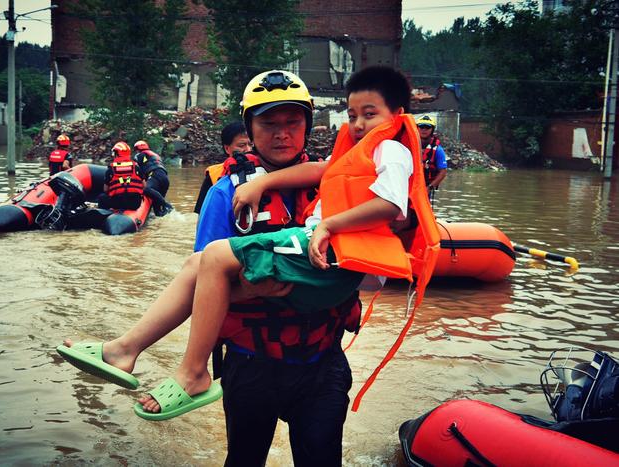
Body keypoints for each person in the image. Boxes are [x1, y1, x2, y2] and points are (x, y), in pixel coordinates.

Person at [58, 68, 437, 466]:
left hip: (322, 359)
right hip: (253, 361)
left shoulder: (343, 171)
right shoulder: (226, 191)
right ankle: (144, 355)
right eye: (268, 124)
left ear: (308, 125)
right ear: (249, 129)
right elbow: (205, 285)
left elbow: (378, 251)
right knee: (244, 459)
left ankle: (144, 356)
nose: (282, 134)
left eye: (293, 123)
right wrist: (254, 289)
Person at [193, 121, 252, 214]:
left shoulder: (268, 168)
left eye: (251, 145)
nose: (248, 149)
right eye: (242, 145)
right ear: (227, 148)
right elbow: (200, 213)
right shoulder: (213, 174)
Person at [97, 141, 145, 211]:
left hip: (118, 202)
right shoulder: (136, 167)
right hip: (135, 203)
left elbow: (105, 189)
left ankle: (104, 216)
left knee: (101, 197)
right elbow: (144, 185)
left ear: (117, 154)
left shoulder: (111, 169)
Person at [133, 140, 174, 216]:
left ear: (138, 149)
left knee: (145, 189)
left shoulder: (140, 155)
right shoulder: (155, 155)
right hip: (165, 178)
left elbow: (136, 169)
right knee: (157, 210)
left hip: (155, 175)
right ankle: (163, 211)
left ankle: (167, 205)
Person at [416, 115, 447, 202]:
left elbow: (443, 171)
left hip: (425, 187)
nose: (424, 130)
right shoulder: (409, 146)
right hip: (409, 185)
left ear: (432, 130)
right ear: (417, 128)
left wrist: (429, 187)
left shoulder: (437, 150)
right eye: (421, 127)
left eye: (427, 127)